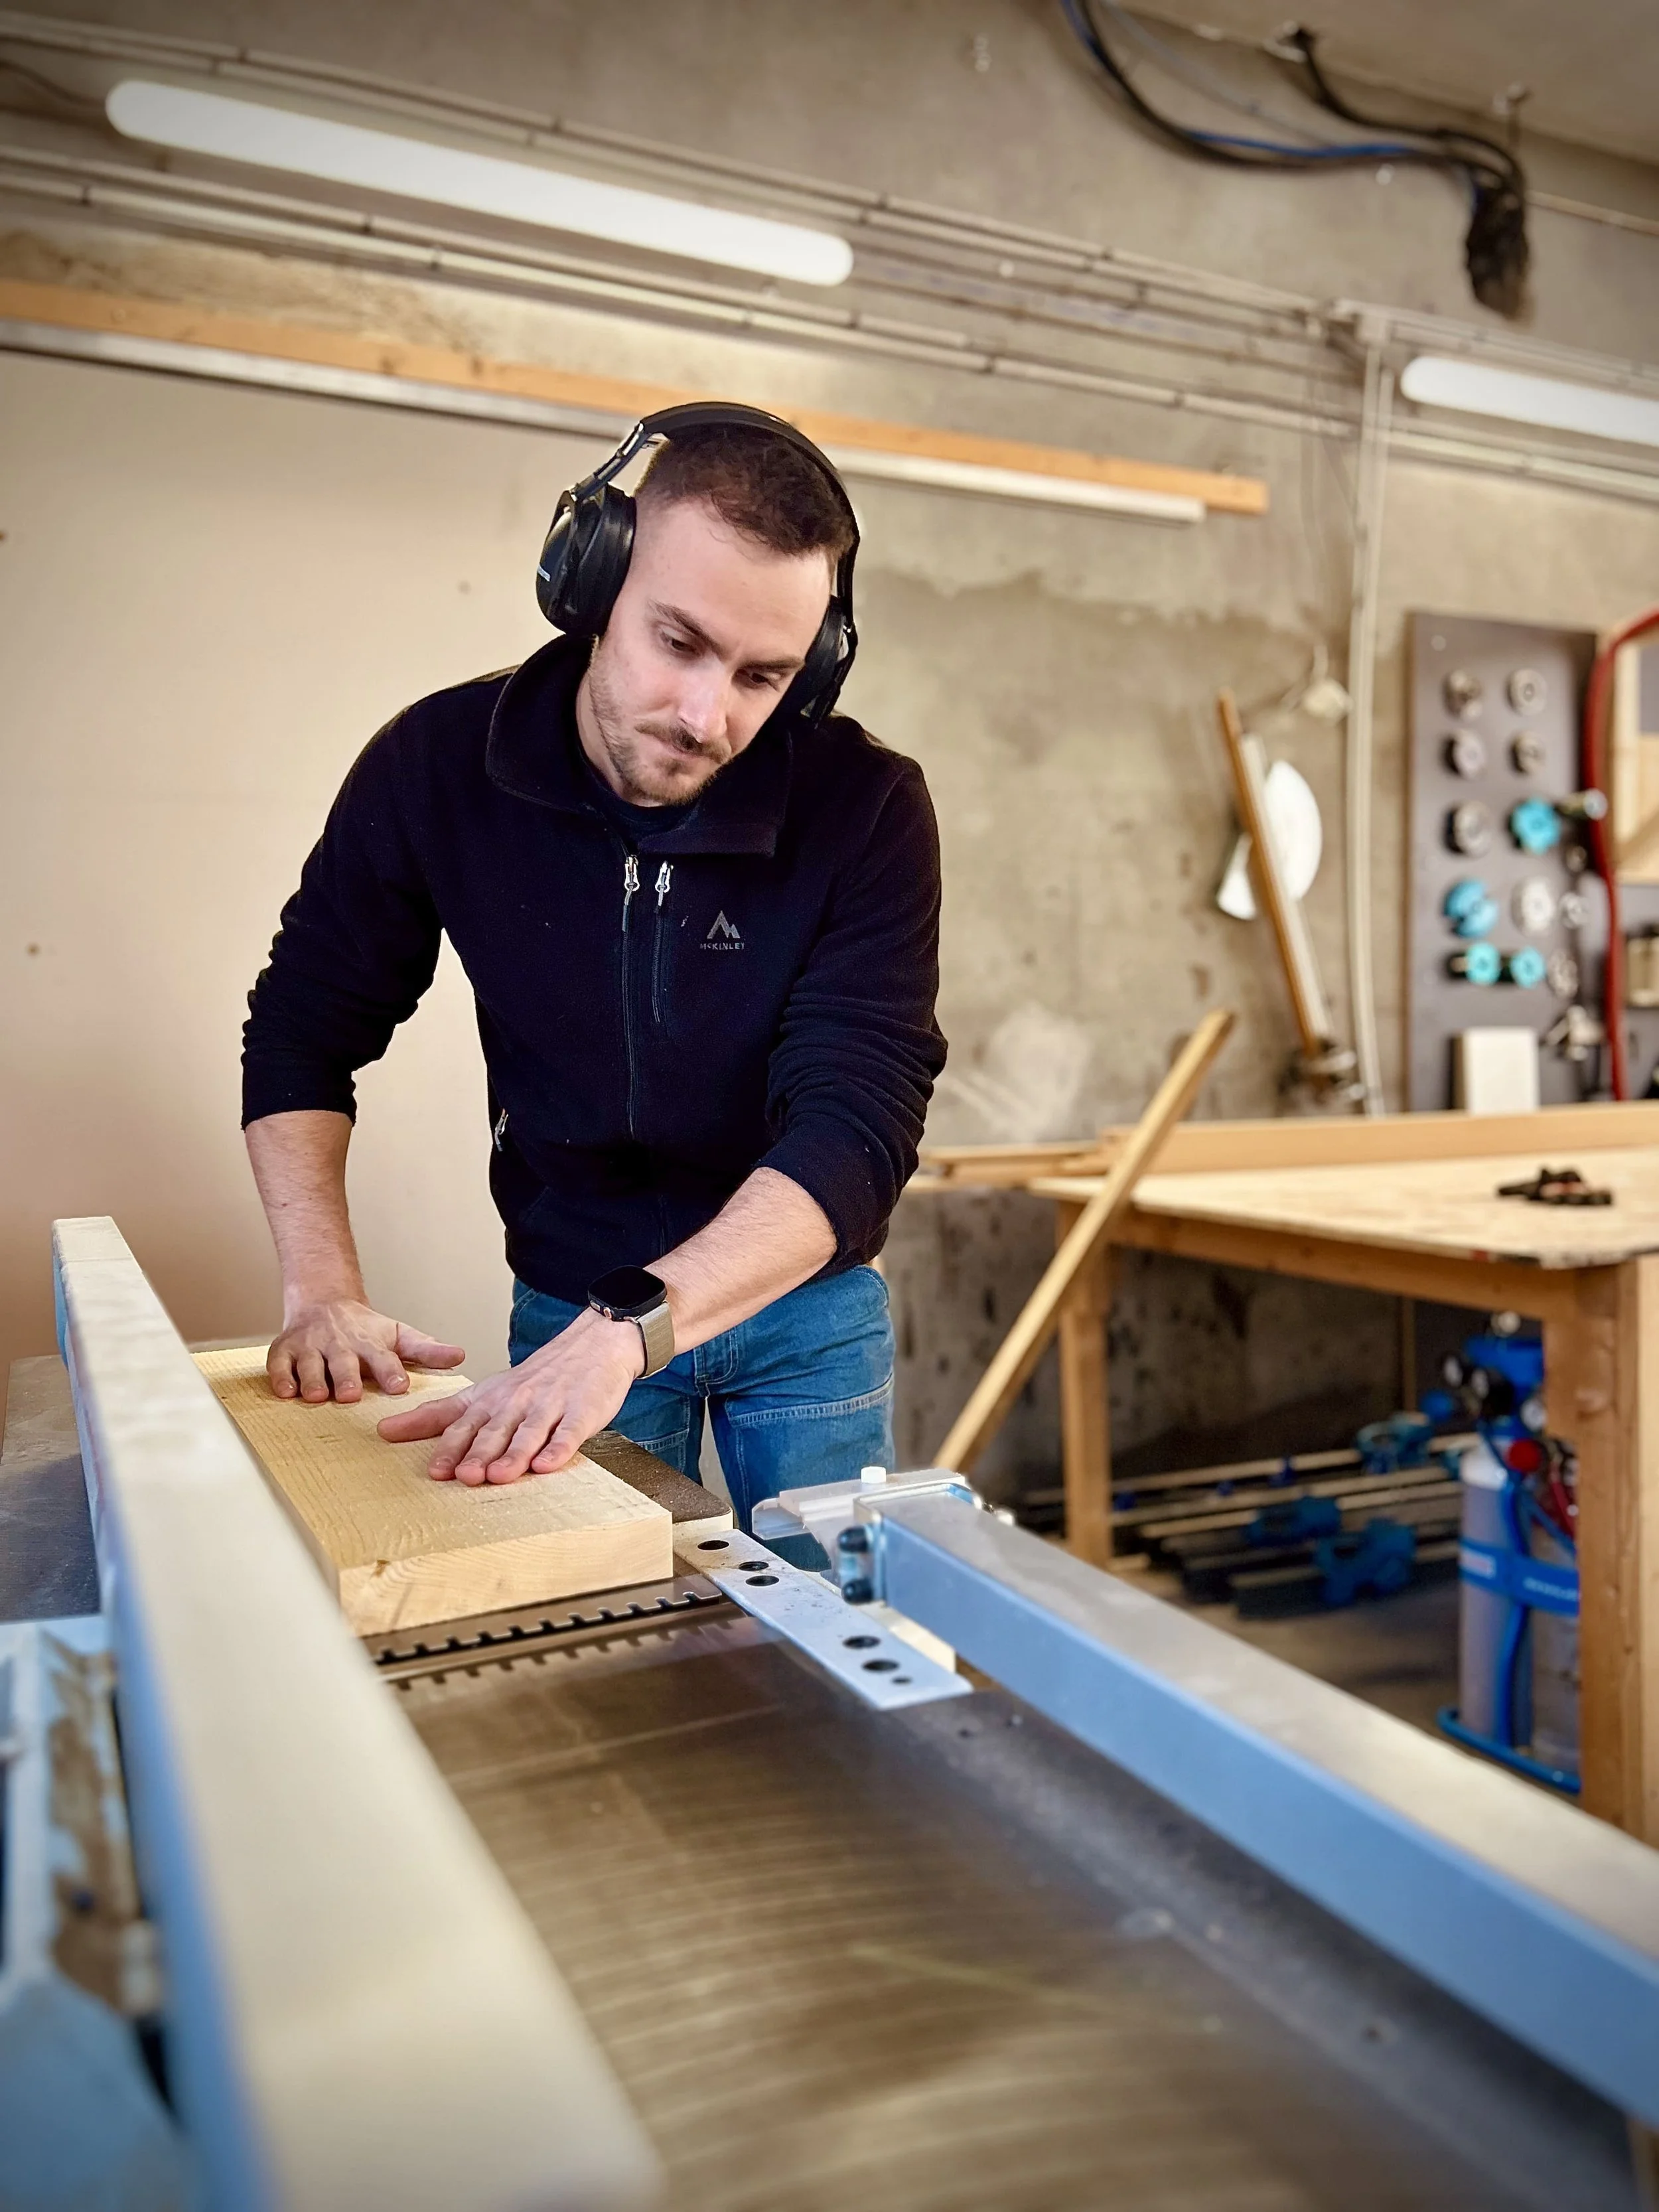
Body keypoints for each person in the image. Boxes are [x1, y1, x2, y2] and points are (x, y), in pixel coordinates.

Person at [240, 402, 946, 1530]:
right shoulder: (437, 767)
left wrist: (640, 1324)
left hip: (799, 1308)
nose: (709, 716)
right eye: (679, 643)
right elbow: (300, 1030)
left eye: (765, 677)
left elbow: (858, 1125)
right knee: (603, 1626)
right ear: (593, 583)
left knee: (840, 1642)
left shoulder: (866, 810)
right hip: (568, 1298)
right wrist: (323, 1292)